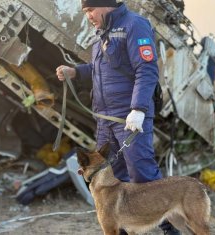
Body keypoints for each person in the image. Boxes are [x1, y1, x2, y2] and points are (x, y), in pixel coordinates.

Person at [56, 1, 180, 234]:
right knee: (114, 176)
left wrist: (139, 109)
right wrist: (75, 71)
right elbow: (99, 70)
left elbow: (147, 69)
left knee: (142, 173)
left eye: (90, 10)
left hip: (128, 118)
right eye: (86, 12)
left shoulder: (135, 25)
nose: (89, 16)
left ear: (105, 5)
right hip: (106, 120)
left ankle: (170, 228)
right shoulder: (102, 32)